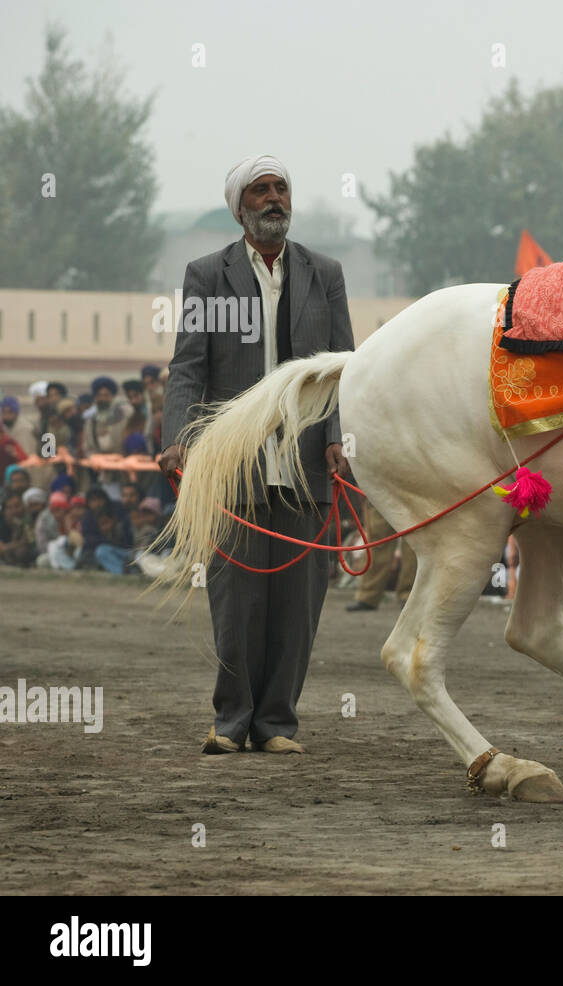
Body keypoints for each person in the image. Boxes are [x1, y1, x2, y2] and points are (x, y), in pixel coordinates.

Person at [159, 154, 355, 756]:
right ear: (239, 208)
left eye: (282, 189)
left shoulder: (324, 273)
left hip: (305, 463)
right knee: (237, 601)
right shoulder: (206, 275)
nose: (275, 199)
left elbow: (343, 369)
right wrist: (177, 438)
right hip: (233, 462)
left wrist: (337, 441)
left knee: (298, 605)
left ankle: (276, 725)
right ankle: (231, 719)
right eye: (262, 191)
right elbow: (190, 365)